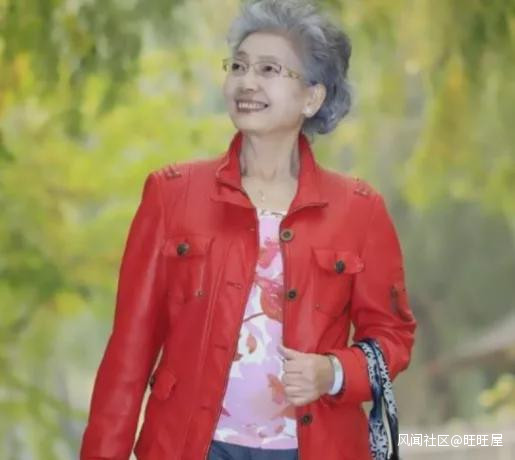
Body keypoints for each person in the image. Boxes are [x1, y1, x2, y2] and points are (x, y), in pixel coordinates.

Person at [80, 1, 417, 459]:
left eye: (269, 69)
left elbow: (393, 335)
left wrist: (335, 372)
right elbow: (129, 352)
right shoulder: (170, 194)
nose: (247, 82)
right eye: (238, 66)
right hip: (189, 447)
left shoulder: (360, 210)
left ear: (312, 97)